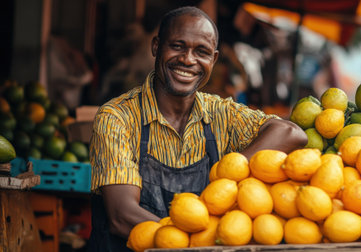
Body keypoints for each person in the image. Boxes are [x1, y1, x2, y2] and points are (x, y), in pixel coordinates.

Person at [88, 6, 307, 251]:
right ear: (156, 47)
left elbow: (291, 133)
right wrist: (196, 243)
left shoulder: (221, 113)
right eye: (178, 46)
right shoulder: (117, 117)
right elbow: (122, 216)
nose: (188, 59)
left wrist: (229, 174)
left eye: (201, 51)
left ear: (213, 60)